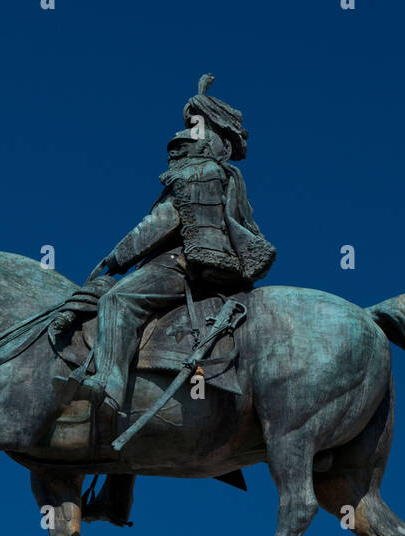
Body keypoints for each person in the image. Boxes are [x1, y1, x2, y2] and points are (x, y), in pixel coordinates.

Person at [75, 74, 275, 418]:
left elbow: (162, 223)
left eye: (178, 149)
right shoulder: (222, 175)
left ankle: (109, 383)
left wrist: (116, 256)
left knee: (117, 299)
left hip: (183, 263)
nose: (173, 156)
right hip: (212, 264)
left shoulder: (194, 174)